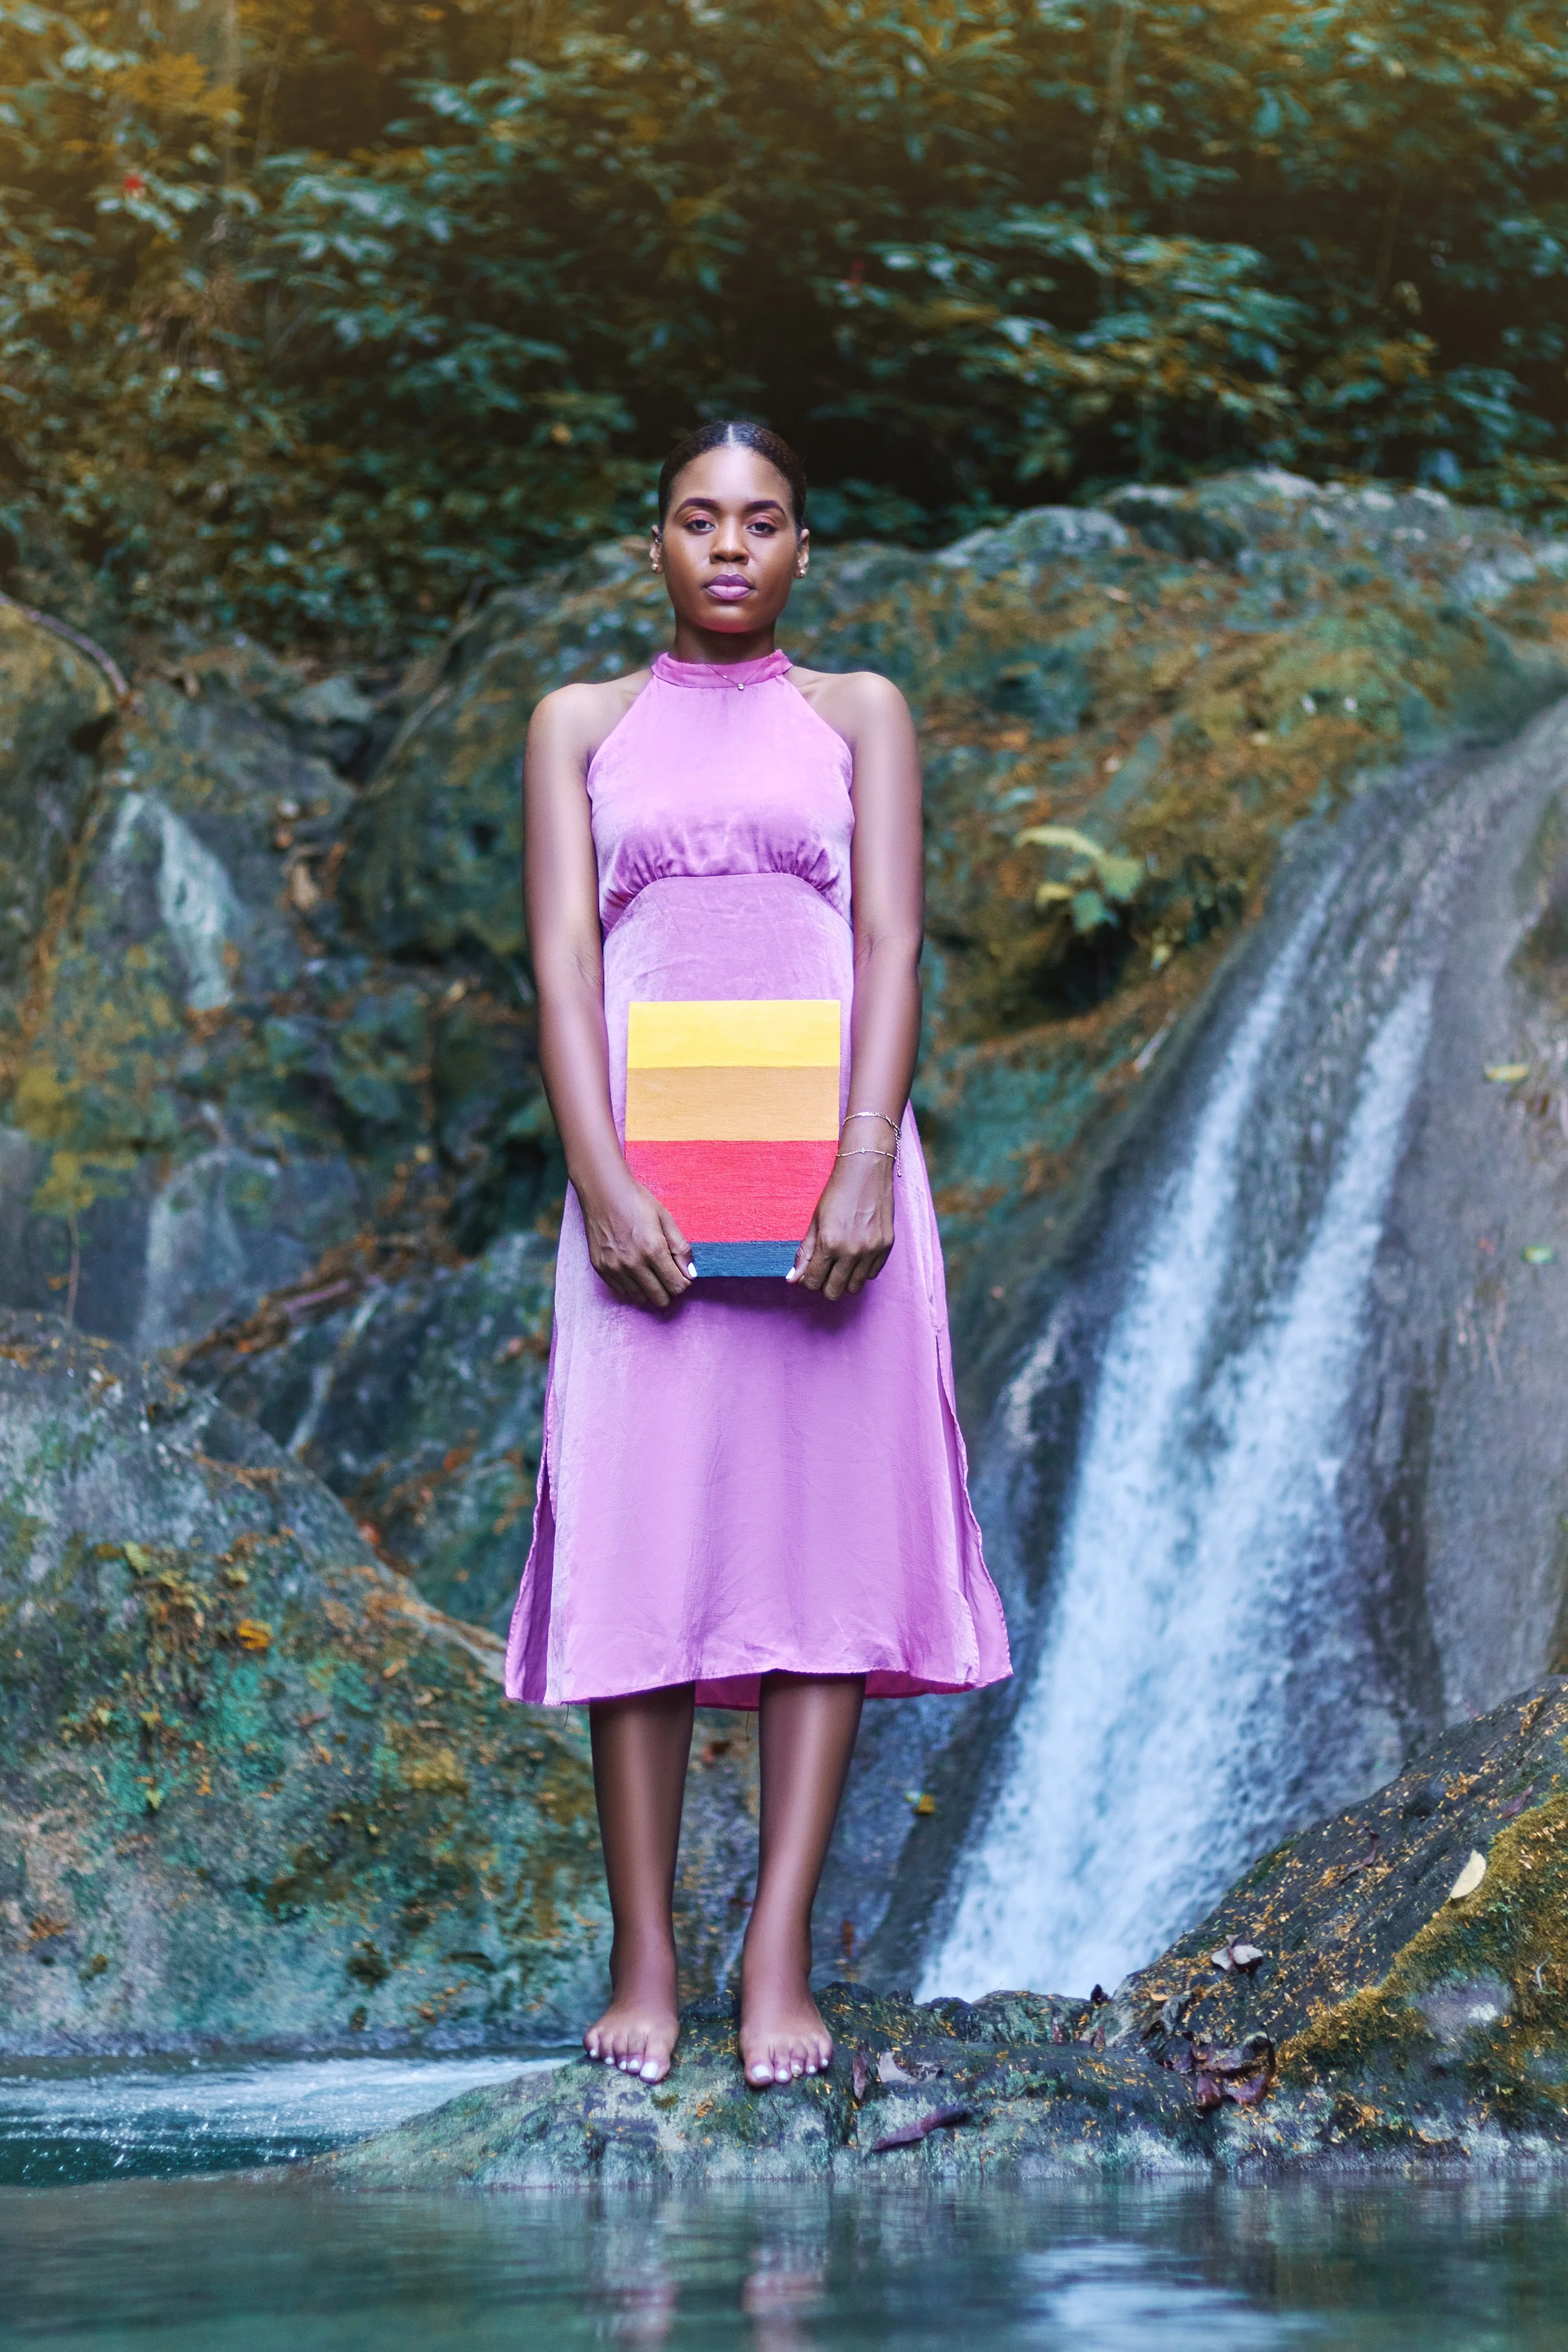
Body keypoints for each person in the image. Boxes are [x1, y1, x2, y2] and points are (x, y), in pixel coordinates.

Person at [507, 418, 1010, 2090]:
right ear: (652, 542)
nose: (729, 547)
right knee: (638, 1552)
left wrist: (865, 1167)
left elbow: (890, 940)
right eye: (697, 519)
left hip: (829, 1200)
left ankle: (778, 1953)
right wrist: (602, 1183)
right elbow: (564, 965)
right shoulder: (579, 724)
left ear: (803, 547)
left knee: (821, 1561)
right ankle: (644, 1955)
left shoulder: (856, 713)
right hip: (643, 1194)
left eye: (762, 521)